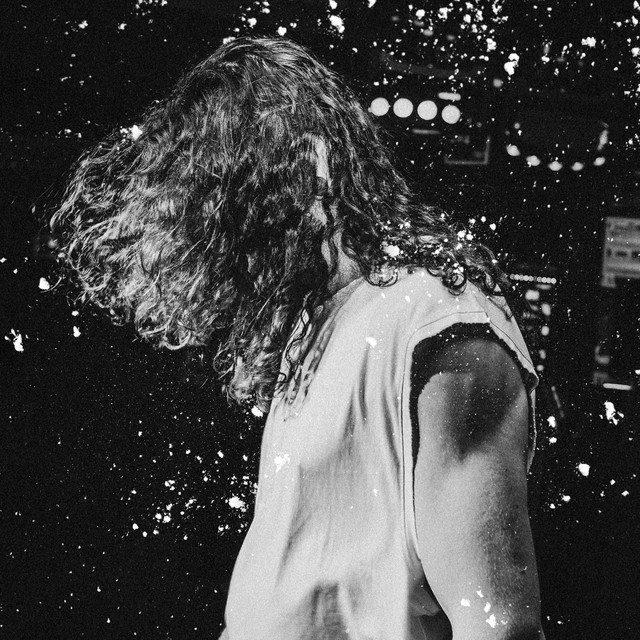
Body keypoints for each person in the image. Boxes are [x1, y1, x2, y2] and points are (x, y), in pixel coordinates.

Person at [52, 37, 545, 640]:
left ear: (308, 165)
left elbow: (500, 627)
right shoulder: (315, 329)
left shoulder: (437, 326)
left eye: (224, 199)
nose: (213, 234)